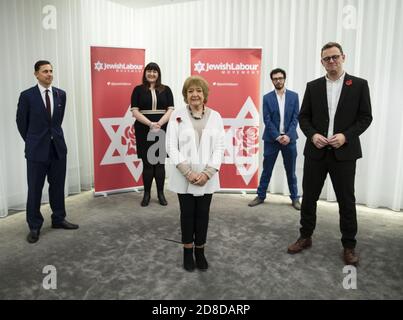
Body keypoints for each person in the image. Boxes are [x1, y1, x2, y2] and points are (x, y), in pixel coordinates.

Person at [287, 42, 372, 266]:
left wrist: (346, 136)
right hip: (316, 152)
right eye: (327, 58)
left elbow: (365, 118)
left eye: (335, 57)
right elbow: (303, 117)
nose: (331, 61)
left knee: (346, 201)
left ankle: (349, 246)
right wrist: (312, 135)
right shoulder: (313, 86)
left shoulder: (359, 85)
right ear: (322, 61)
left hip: (344, 153)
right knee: (309, 198)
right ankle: (305, 237)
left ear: (343, 57)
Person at [166, 76, 225, 272]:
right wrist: (188, 172)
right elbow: (170, 146)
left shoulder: (216, 116)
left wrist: (207, 173)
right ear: (186, 95)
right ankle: (187, 251)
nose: (195, 94)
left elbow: (220, 146)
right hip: (184, 177)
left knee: (203, 215)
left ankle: (200, 251)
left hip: (207, 178)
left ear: (204, 94)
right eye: (190, 91)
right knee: (187, 215)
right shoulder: (177, 116)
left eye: (198, 91)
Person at [16, 60, 79, 244]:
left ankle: (58, 219)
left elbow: (56, 122)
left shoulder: (61, 94)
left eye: (51, 71)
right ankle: (34, 226)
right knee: (35, 189)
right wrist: (33, 141)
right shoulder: (27, 96)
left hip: (58, 148)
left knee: (58, 186)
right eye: (45, 71)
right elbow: (21, 123)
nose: (49, 74)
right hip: (36, 151)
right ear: (36, 74)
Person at [248, 68, 301, 210]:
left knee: (291, 171)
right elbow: (267, 119)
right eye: (275, 78)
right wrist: (278, 136)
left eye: (280, 78)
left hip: (290, 140)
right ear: (272, 80)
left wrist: (288, 135)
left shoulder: (294, 96)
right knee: (267, 169)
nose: (278, 80)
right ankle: (260, 195)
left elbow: (296, 118)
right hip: (272, 140)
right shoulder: (267, 98)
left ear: (284, 79)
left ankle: (295, 198)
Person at [131, 62, 174, 207]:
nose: (152, 74)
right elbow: (135, 111)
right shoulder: (138, 90)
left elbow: (170, 110)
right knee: (148, 164)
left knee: (160, 164)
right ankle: (147, 194)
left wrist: (159, 124)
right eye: (149, 71)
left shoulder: (166, 89)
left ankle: (161, 194)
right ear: (145, 73)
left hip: (162, 128)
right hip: (144, 129)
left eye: (155, 71)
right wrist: (150, 124)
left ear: (158, 74)